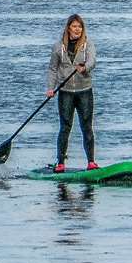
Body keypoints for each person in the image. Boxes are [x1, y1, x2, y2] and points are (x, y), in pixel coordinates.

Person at [46, 13, 97, 172]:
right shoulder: (58, 46)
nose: (78, 29)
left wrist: (85, 67)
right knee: (65, 127)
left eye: (80, 27)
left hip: (84, 91)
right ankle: (60, 163)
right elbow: (53, 69)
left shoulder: (87, 44)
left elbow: (92, 61)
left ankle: (91, 162)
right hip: (65, 92)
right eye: (74, 26)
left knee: (86, 127)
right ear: (68, 28)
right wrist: (50, 88)